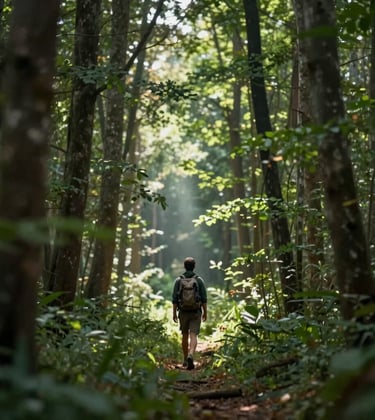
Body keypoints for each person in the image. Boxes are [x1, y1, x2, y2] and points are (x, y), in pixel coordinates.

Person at [172, 257, 207, 370]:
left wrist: (174, 313)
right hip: (196, 312)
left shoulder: (178, 280)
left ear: (184, 266)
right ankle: (191, 354)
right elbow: (204, 298)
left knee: (184, 334)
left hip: (183, 312)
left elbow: (174, 299)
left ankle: (185, 359)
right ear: (194, 266)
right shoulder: (199, 280)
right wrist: (205, 312)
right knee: (193, 335)